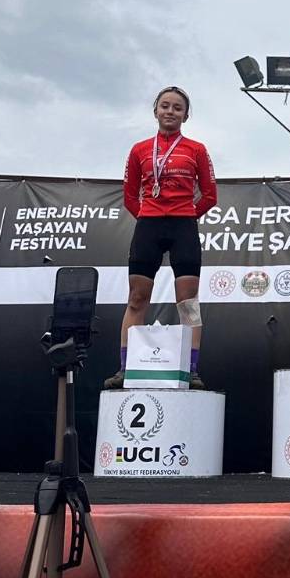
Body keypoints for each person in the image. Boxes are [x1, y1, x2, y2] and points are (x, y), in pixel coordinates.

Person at [104, 85, 218, 390]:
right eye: (165, 106)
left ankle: (191, 370)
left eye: (177, 108)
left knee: (188, 303)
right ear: (155, 111)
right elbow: (130, 196)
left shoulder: (197, 149)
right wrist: (148, 216)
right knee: (136, 299)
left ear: (186, 115)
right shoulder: (139, 149)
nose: (170, 111)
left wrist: (187, 214)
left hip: (183, 228)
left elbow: (210, 195)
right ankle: (126, 368)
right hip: (149, 227)